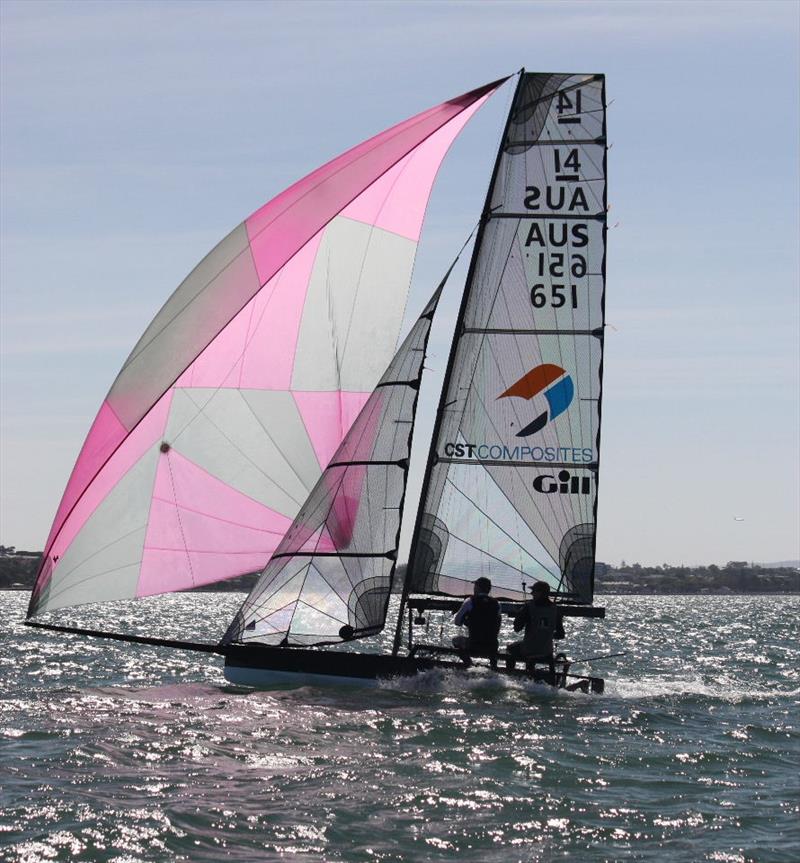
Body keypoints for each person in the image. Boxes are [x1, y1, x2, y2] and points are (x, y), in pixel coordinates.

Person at [506, 581, 565, 683]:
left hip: (529, 650)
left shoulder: (529, 607)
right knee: (539, 649)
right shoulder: (555, 609)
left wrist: (519, 614)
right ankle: (546, 678)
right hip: (546, 652)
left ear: (540, 593)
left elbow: (517, 628)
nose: (532, 593)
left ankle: (511, 678)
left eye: (534, 591)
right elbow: (561, 634)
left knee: (510, 649)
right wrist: (547, 634)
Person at [452, 577, 502, 669]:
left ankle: (469, 665)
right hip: (492, 646)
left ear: (478, 587)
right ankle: (493, 666)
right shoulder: (497, 604)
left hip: (474, 644)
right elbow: (497, 624)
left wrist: (466, 620)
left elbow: (457, 622)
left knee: (455, 640)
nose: (474, 588)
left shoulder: (470, 601)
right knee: (491, 642)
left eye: (475, 586)